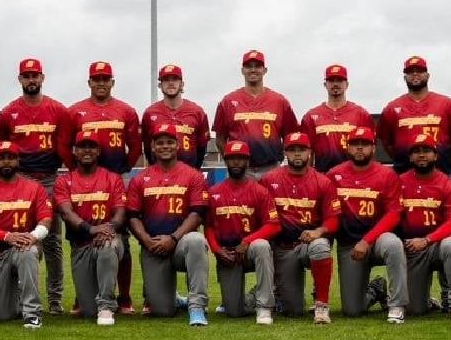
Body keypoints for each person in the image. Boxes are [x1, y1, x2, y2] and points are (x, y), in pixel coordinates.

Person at [0, 58, 73, 315]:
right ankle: (19, 294)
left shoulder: (58, 110)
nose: (31, 80)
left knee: (52, 241)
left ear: (42, 78)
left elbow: (64, 145)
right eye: (26, 75)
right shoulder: (8, 113)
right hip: (21, 179)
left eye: (35, 75)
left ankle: (54, 298)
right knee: (18, 236)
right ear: (20, 79)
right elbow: (5, 150)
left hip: (50, 178)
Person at [66, 62, 141, 315]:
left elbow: (136, 148)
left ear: (112, 82)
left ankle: (124, 296)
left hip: (115, 180)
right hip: (83, 180)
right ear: (89, 82)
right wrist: (76, 173)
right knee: (81, 236)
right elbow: (65, 146)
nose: (101, 83)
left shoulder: (126, 110)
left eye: (105, 79)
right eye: (96, 79)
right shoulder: (75, 111)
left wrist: (120, 168)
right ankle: (82, 293)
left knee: (123, 239)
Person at [126, 124, 211, 325]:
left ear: (178, 145)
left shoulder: (192, 175)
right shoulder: (140, 178)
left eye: (170, 142)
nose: (165, 146)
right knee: (163, 311)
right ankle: (175, 298)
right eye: (160, 143)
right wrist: (146, 240)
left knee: (197, 240)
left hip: (181, 243)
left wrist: (173, 238)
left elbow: (198, 213)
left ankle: (197, 306)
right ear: (153, 147)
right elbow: (132, 215)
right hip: (153, 244)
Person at [325, 127, 408, 321]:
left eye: (364, 144)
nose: (360, 149)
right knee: (352, 311)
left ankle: (397, 305)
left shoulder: (387, 175)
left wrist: (367, 240)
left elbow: (394, 214)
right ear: (348, 148)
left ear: (373, 148)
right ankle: (376, 289)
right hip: (349, 245)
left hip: (378, 240)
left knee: (394, 244)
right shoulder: (333, 175)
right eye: (355, 144)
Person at [0, 141, 53, 328]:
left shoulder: (34, 187)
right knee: (2, 315)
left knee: (29, 252)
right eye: (1, 158)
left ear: (18, 161)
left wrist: (33, 236)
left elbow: (46, 218)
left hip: (23, 246)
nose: (6, 162)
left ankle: (32, 312)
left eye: (11, 158)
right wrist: (8, 236)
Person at [259, 132, 341, 323]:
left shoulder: (323, 181)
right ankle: (274, 292)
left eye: (302, 150)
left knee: (321, 245)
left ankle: (321, 305)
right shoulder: (269, 180)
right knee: (292, 310)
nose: (297, 154)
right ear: (285, 153)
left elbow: (334, 220)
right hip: (283, 247)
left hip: (308, 244)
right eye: (292, 150)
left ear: (310, 153)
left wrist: (318, 232)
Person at [53, 131, 127, 326]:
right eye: (82, 146)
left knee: (107, 246)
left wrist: (107, 229)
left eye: (91, 146)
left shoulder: (113, 178)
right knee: (87, 311)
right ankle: (96, 304)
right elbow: (67, 213)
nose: (87, 150)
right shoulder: (64, 181)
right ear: (74, 151)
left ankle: (106, 306)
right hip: (81, 245)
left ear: (98, 151)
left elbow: (120, 212)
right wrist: (90, 229)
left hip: (109, 239)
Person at [397, 133, 451, 323]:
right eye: (417, 151)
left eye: (427, 151)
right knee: (415, 309)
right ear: (410, 157)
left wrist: (428, 240)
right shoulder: (400, 182)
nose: (422, 155)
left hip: (437, 245)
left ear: (435, 156)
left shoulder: (447, 183)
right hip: (413, 247)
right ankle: (426, 300)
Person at [206, 140, 281, 325]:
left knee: (262, 246)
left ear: (247, 161)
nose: (236, 163)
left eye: (241, 158)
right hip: (228, 254)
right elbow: (208, 227)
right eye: (232, 158)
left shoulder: (260, 191)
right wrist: (217, 250)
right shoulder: (214, 192)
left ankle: (264, 307)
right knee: (234, 312)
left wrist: (248, 240)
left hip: (250, 249)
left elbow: (274, 225)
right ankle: (254, 295)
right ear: (225, 160)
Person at [378, 55, 451, 175]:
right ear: (404, 78)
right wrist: (404, 155)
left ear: (427, 75)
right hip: (404, 175)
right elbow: (387, 142)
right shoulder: (391, 108)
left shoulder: (448, 105)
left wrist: (444, 154)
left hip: (440, 174)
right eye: (410, 72)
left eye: (420, 71)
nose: (415, 74)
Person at [213, 50, 299, 178]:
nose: (253, 70)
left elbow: (291, 136)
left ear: (265, 70)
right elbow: (220, 138)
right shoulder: (228, 101)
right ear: (242, 70)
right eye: (249, 66)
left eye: (257, 66)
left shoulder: (280, 101)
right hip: (240, 170)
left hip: (271, 169)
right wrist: (231, 160)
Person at [299, 64, 375, 173]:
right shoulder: (311, 116)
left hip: (353, 177)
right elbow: (307, 152)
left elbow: (370, 149)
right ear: (325, 84)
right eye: (331, 81)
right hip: (323, 175)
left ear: (347, 84)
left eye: (339, 80)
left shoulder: (361, 114)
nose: (335, 84)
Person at [141, 64, 211, 169]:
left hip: (189, 174)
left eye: (174, 79)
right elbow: (147, 148)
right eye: (166, 80)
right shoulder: (149, 113)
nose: (170, 83)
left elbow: (202, 147)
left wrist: (194, 170)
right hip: (159, 175)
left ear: (182, 84)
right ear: (160, 85)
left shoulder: (197, 112)